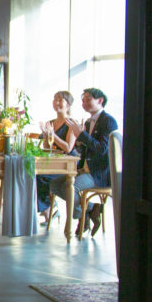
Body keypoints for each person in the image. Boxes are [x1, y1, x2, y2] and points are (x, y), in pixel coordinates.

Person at [49, 87, 118, 235]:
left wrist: (81, 135)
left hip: (98, 173)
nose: (84, 103)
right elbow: (84, 148)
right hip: (84, 169)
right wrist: (79, 141)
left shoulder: (108, 121)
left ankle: (83, 217)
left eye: (88, 99)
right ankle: (91, 209)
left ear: (100, 101)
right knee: (54, 185)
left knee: (71, 187)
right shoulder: (87, 122)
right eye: (83, 100)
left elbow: (101, 149)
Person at [36, 90, 78, 215]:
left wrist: (53, 135)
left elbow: (68, 148)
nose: (56, 102)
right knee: (32, 173)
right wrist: (45, 135)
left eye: (60, 100)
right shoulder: (51, 122)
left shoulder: (72, 123)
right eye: (55, 99)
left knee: (41, 177)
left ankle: (49, 209)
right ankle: (49, 209)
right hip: (54, 161)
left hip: (67, 164)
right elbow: (47, 147)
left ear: (68, 104)